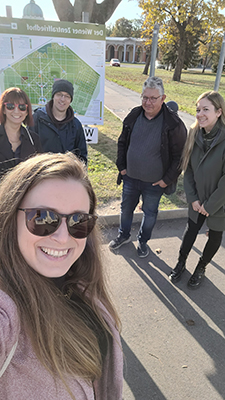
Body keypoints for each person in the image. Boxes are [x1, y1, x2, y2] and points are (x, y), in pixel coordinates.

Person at [0, 152, 123, 399]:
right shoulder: (7, 310)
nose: (63, 237)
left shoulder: (81, 283)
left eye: (79, 221)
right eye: (43, 218)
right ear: (10, 216)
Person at [109, 76, 187, 257]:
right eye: (145, 97)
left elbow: (180, 157)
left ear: (163, 98)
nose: (148, 102)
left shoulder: (173, 124)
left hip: (154, 183)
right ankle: (124, 235)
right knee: (126, 209)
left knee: (150, 213)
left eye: (153, 98)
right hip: (130, 178)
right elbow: (122, 142)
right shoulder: (134, 115)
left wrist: (166, 180)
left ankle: (143, 242)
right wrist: (122, 166)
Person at [169, 91, 225, 289]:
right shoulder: (194, 133)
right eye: (198, 109)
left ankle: (201, 267)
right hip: (197, 201)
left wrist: (210, 205)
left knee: (215, 236)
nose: (200, 114)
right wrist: (193, 199)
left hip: (219, 203)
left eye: (206, 109)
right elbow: (189, 169)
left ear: (219, 112)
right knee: (190, 231)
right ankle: (181, 262)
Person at [32, 79, 87, 164]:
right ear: (53, 96)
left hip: (66, 175)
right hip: (42, 174)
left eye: (67, 96)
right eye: (59, 94)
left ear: (70, 100)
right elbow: (28, 153)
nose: (62, 99)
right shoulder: (37, 119)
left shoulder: (76, 125)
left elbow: (82, 157)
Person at [0, 87, 42, 175]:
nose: (16, 111)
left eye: (22, 107)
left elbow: (38, 173)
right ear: (3, 109)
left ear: (27, 112)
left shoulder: (34, 140)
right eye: (10, 106)